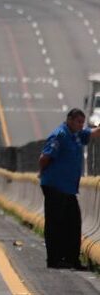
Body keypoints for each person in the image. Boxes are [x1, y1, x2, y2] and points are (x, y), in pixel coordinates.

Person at [38, 108, 92, 270]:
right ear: (69, 120)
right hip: (55, 186)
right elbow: (44, 157)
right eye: (78, 122)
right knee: (56, 223)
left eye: (82, 122)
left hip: (68, 188)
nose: (81, 125)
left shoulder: (76, 135)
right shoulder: (60, 135)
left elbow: (94, 132)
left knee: (73, 223)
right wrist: (42, 172)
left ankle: (71, 259)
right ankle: (54, 260)